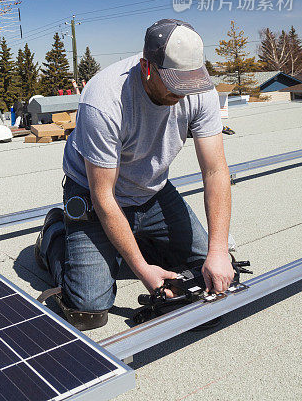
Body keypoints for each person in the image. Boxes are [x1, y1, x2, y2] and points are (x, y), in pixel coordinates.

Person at [35, 19, 234, 329]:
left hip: (153, 190)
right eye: (173, 84)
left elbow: (215, 170)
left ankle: (133, 240)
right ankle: (55, 235)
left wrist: (219, 251)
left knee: (208, 269)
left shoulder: (199, 88)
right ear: (147, 67)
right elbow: (103, 197)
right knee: (89, 307)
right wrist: (143, 270)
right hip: (95, 193)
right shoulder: (104, 100)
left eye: (187, 83)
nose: (181, 94)